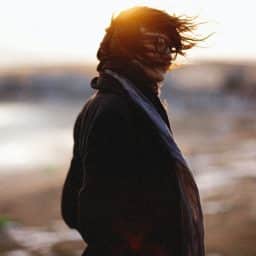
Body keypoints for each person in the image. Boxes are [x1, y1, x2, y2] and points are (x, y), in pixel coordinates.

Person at [61, 6, 205, 256]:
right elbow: (92, 217)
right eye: (157, 43)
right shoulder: (117, 110)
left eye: (170, 46)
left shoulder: (131, 102)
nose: (168, 55)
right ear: (127, 47)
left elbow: (72, 209)